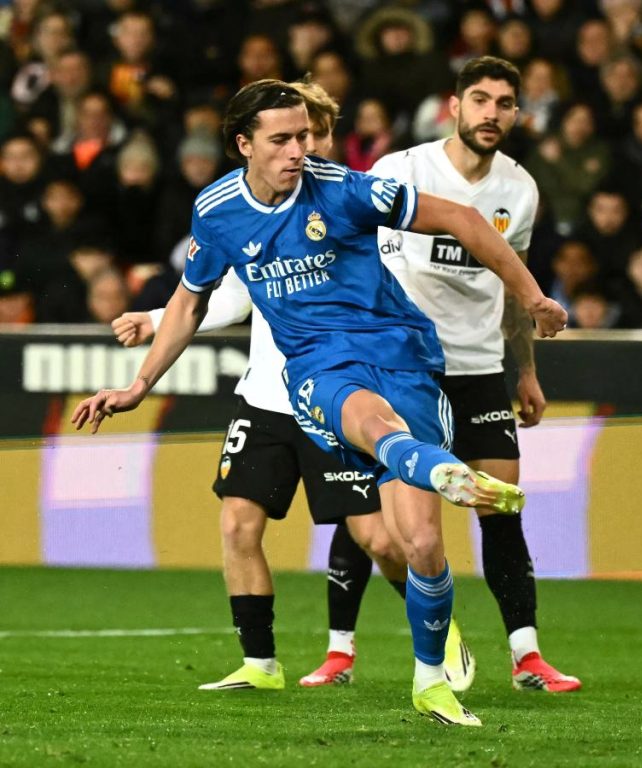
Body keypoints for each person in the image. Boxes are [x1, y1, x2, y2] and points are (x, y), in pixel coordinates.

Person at [72, 77, 568, 728]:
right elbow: (193, 301)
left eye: (304, 136)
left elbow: (465, 220)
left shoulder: (343, 190)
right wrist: (139, 385)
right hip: (316, 367)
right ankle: (438, 470)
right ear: (243, 144)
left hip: (404, 354)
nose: (298, 151)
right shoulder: (217, 211)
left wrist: (532, 298)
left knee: (421, 545)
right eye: (282, 139)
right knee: (365, 420)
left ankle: (431, 682)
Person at [308, 56, 580, 694]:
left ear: (518, 114)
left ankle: (527, 657)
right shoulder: (401, 169)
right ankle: (340, 649)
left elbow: (512, 286)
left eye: (504, 103)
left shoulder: (520, 189)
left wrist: (526, 370)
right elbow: (350, 251)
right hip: (399, 367)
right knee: (375, 511)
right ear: (454, 106)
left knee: (501, 505)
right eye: (479, 99)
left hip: (478, 367)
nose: (491, 113)